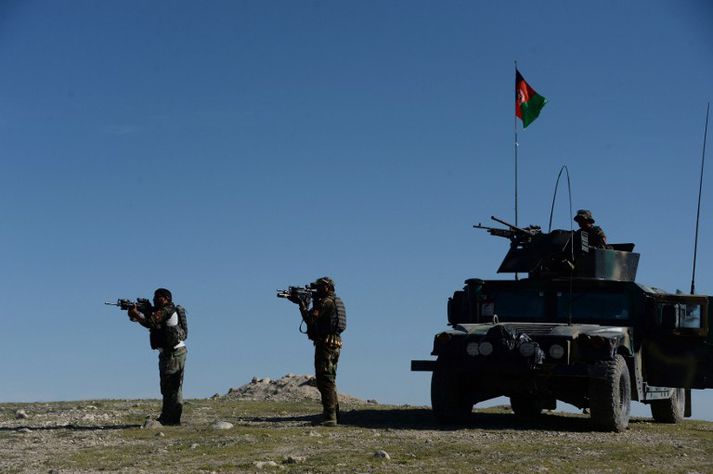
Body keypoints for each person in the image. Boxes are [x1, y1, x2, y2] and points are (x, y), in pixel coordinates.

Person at [290, 277, 346, 427]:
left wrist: (302, 305)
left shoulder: (326, 302)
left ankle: (330, 417)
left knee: (324, 380)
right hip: (333, 344)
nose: (316, 290)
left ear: (327, 287)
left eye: (319, 287)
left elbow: (310, 319)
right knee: (329, 380)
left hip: (326, 345)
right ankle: (334, 414)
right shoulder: (334, 301)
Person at [127, 288, 188, 426]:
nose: (154, 300)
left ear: (166, 298)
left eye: (157, 297)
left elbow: (150, 322)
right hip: (168, 352)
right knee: (167, 386)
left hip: (174, 352)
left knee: (172, 386)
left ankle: (171, 419)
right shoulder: (159, 311)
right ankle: (169, 417)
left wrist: (136, 313)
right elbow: (148, 320)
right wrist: (135, 314)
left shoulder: (168, 310)